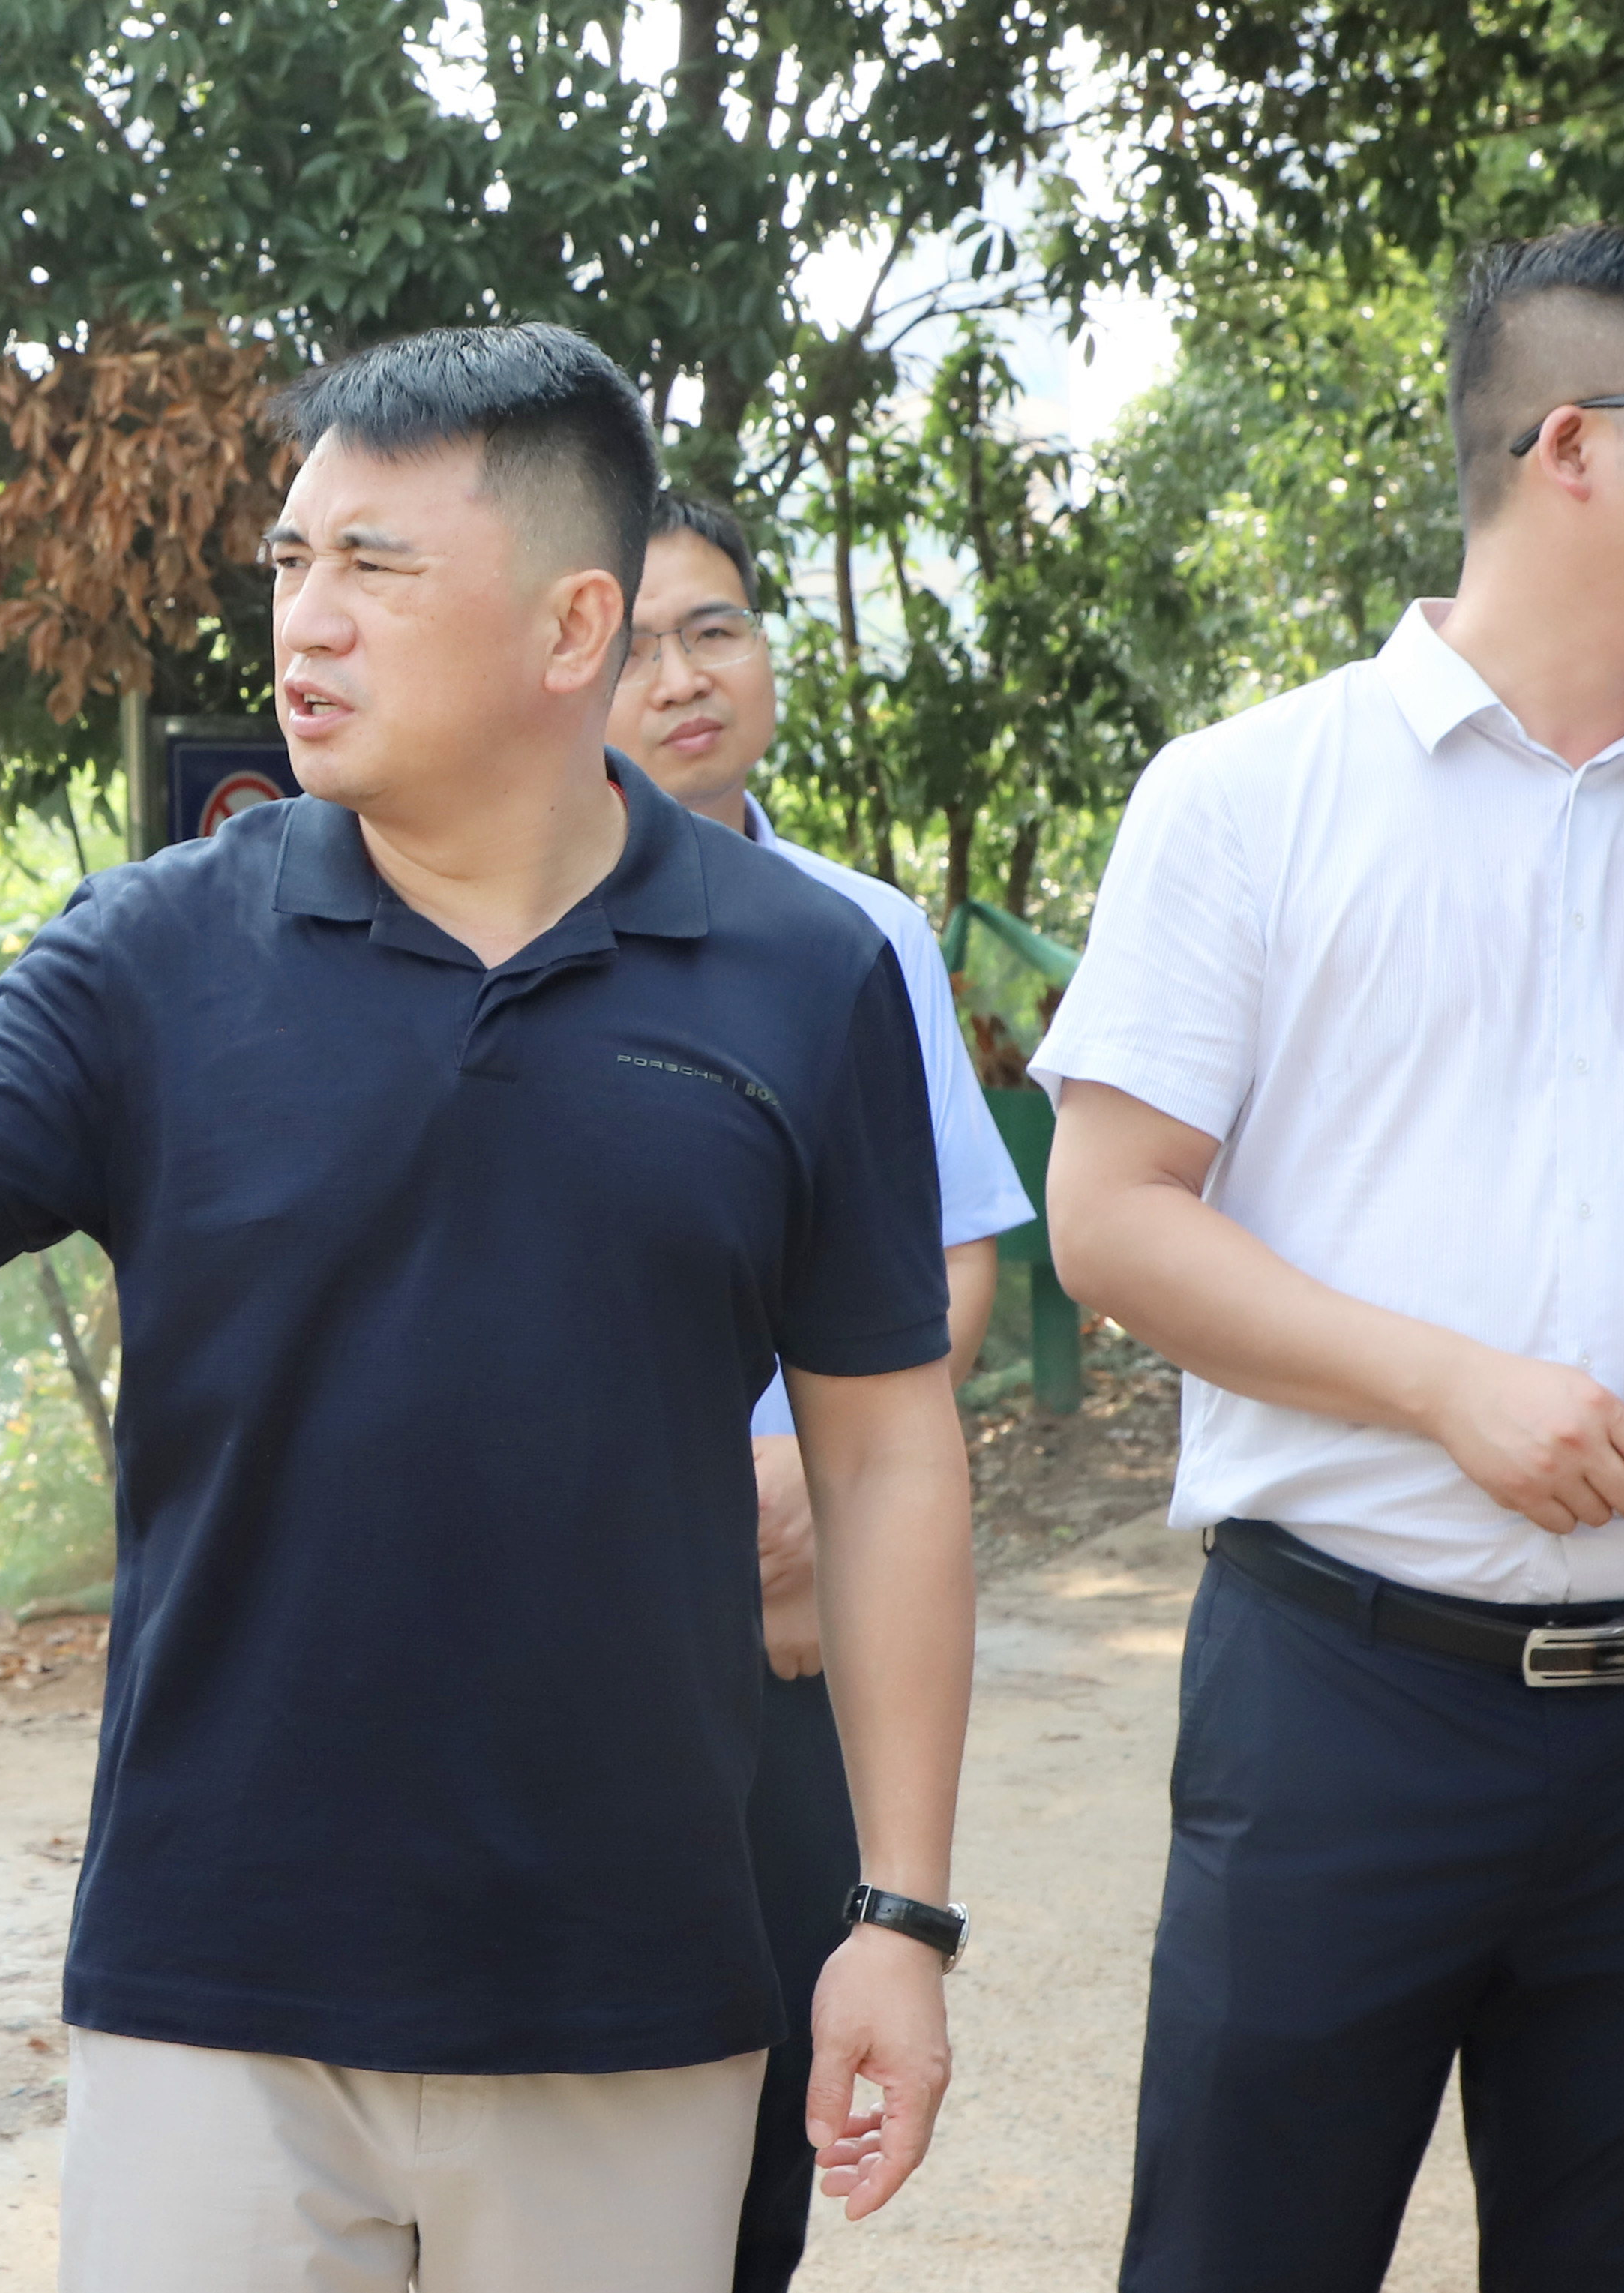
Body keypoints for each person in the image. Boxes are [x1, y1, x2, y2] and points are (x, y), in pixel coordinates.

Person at [0, 324, 976, 2292]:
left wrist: (900, 1913)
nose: (306, 620)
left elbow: (883, 1458)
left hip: (630, 1976)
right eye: (289, 563)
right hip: (215, 1983)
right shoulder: (160, 954)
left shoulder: (802, 973)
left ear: (570, 627)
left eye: (373, 566)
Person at [1036, 223, 1624, 2292]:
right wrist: (1443, 1387)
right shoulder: (1243, 799)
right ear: (1569, 443)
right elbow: (1109, 1215)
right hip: (1339, 1706)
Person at [605, 491, 1035, 2293]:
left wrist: (799, 1479)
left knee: (764, 2094)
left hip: (790, 1634)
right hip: (580, 1630)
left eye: (713, 628)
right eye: (635, 644)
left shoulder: (857, 931)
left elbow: (950, 1264)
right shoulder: (507, 920)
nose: (681, 677)